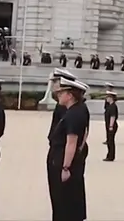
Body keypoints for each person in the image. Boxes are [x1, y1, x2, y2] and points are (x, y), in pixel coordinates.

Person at [47, 77, 90, 221]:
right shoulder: (77, 110)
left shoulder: (73, 114)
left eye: (62, 92)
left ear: (70, 95)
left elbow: (71, 142)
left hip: (64, 161)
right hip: (68, 159)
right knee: (69, 202)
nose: (58, 95)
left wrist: (65, 167)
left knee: (63, 201)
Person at [104, 91, 118, 161]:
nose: (106, 98)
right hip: (109, 125)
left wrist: (111, 126)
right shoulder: (109, 106)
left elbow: (113, 116)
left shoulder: (113, 106)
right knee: (109, 141)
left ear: (111, 98)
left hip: (111, 125)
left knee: (110, 141)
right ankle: (109, 155)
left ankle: (111, 156)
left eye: (108, 97)